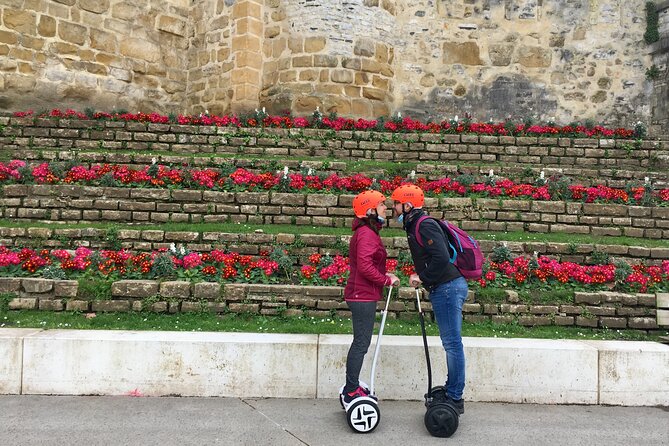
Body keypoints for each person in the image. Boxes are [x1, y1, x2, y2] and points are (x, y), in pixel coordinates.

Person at [390, 184, 468, 415]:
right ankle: (452, 390)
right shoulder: (415, 224)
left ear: (407, 205)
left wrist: (421, 277)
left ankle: (455, 396)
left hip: (448, 288)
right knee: (451, 343)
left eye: (395, 203)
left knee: (452, 344)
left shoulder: (424, 225)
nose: (392, 208)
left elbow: (441, 258)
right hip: (445, 287)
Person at [341, 190, 400, 406]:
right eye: (382, 205)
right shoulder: (366, 233)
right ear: (369, 210)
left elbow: (367, 264)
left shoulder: (367, 232)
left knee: (360, 342)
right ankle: (351, 390)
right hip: (362, 295)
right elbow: (365, 266)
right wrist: (385, 281)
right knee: (361, 343)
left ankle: (352, 386)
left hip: (362, 293)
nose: (387, 208)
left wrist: (385, 274)